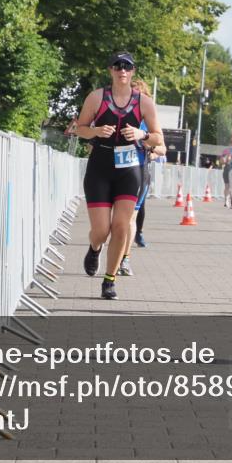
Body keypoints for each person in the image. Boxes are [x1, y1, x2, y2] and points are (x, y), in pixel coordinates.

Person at [72, 53, 163, 300]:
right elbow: (79, 129)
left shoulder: (143, 102)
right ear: (111, 70)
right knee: (101, 230)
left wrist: (140, 135)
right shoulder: (96, 97)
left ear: (133, 71)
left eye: (127, 66)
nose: (122, 70)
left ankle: (109, 280)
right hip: (100, 166)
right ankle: (94, 248)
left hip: (129, 169)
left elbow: (158, 138)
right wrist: (96, 131)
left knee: (122, 226)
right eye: (118, 66)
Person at [118, 79, 167, 276]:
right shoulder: (117, 114)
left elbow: (162, 149)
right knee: (113, 220)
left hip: (139, 171)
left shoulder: (148, 119)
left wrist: (149, 146)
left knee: (131, 217)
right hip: (114, 170)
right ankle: (103, 249)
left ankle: (125, 259)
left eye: (138, 95)